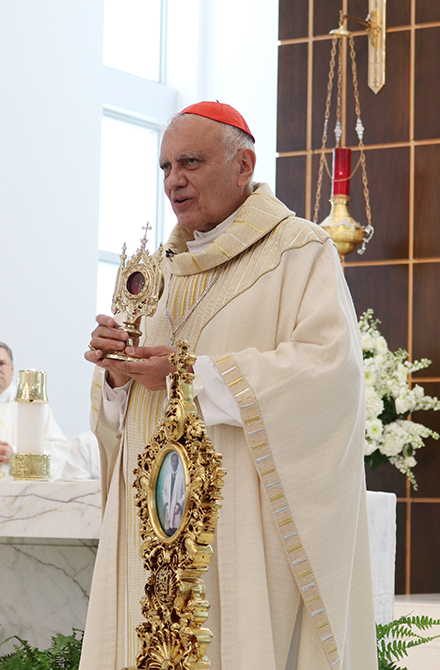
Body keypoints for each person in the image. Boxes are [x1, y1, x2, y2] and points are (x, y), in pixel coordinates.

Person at [81, 102, 378, 670]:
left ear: (244, 165)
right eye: (165, 167)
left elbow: (328, 368)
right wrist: (118, 374)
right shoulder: (162, 268)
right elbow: (129, 406)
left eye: (189, 162)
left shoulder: (298, 250)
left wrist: (194, 375)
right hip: (157, 522)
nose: (174, 181)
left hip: (235, 515)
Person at [0, 342, 70, 480]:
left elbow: (59, 452)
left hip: (20, 495)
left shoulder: (32, 407)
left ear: (12, 368)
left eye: (1, 364)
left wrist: (16, 455)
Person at [161, 451, 185, 536]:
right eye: (173, 461)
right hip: (169, 511)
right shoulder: (167, 477)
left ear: (178, 463)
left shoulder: (181, 477)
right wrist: (166, 504)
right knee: (168, 534)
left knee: (177, 535)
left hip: (176, 511)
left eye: (176, 461)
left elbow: (185, 493)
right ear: (171, 463)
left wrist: (179, 504)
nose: (174, 463)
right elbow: (164, 492)